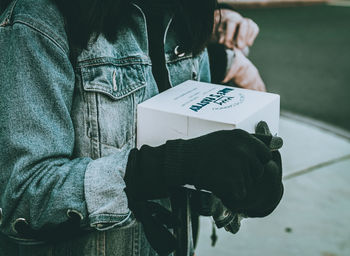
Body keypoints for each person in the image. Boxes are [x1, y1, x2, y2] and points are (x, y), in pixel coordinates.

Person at [0, 0, 283, 255]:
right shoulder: (39, 17)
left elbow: (196, 173)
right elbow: (23, 198)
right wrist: (163, 167)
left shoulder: (188, 11)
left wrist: (242, 185)